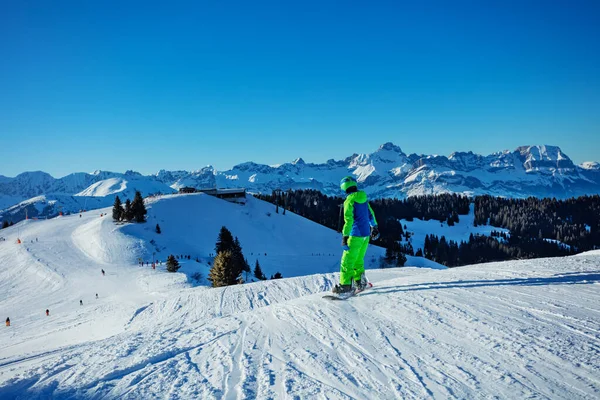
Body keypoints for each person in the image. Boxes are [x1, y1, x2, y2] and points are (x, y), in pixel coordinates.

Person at [333, 176, 380, 295]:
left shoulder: (349, 200)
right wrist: (374, 227)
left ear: (344, 188)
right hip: (365, 235)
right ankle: (360, 282)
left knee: (347, 261)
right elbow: (370, 214)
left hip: (355, 235)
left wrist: (345, 237)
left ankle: (345, 286)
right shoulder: (363, 198)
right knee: (358, 260)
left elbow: (348, 220)